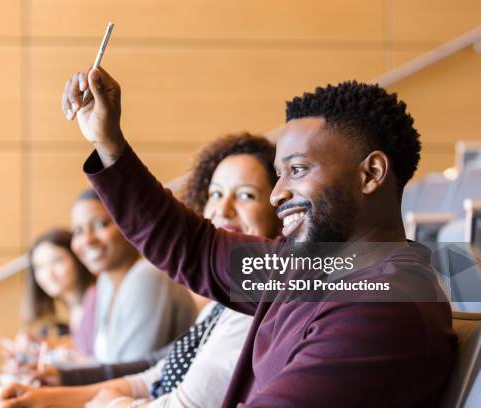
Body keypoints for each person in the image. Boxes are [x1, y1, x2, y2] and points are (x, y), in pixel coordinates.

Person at [58, 67, 457, 407]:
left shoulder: (385, 306)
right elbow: (193, 246)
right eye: (279, 172)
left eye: (298, 170)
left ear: (370, 174)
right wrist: (107, 141)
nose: (277, 193)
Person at [0, 134, 281, 407]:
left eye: (246, 195)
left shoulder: (257, 302)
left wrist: (103, 402)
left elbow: (169, 395)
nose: (223, 208)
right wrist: (45, 396)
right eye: (215, 194)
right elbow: (155, 373)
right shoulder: (218, 304)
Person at [71, 189, 197, 364]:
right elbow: (103, 363)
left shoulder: (147, 276)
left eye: (100, 225)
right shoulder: (105, 282)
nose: (87, 240)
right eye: (78, 231)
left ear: (131, 225)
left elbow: (129, 369)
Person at [18, 228, 97, 357]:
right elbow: (82, 345)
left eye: (56, 261)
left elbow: (93, 355)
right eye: (39, 267)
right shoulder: (77, 306)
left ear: (77, 258)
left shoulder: (94, 298)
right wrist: (44, 344)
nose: (48, 274)